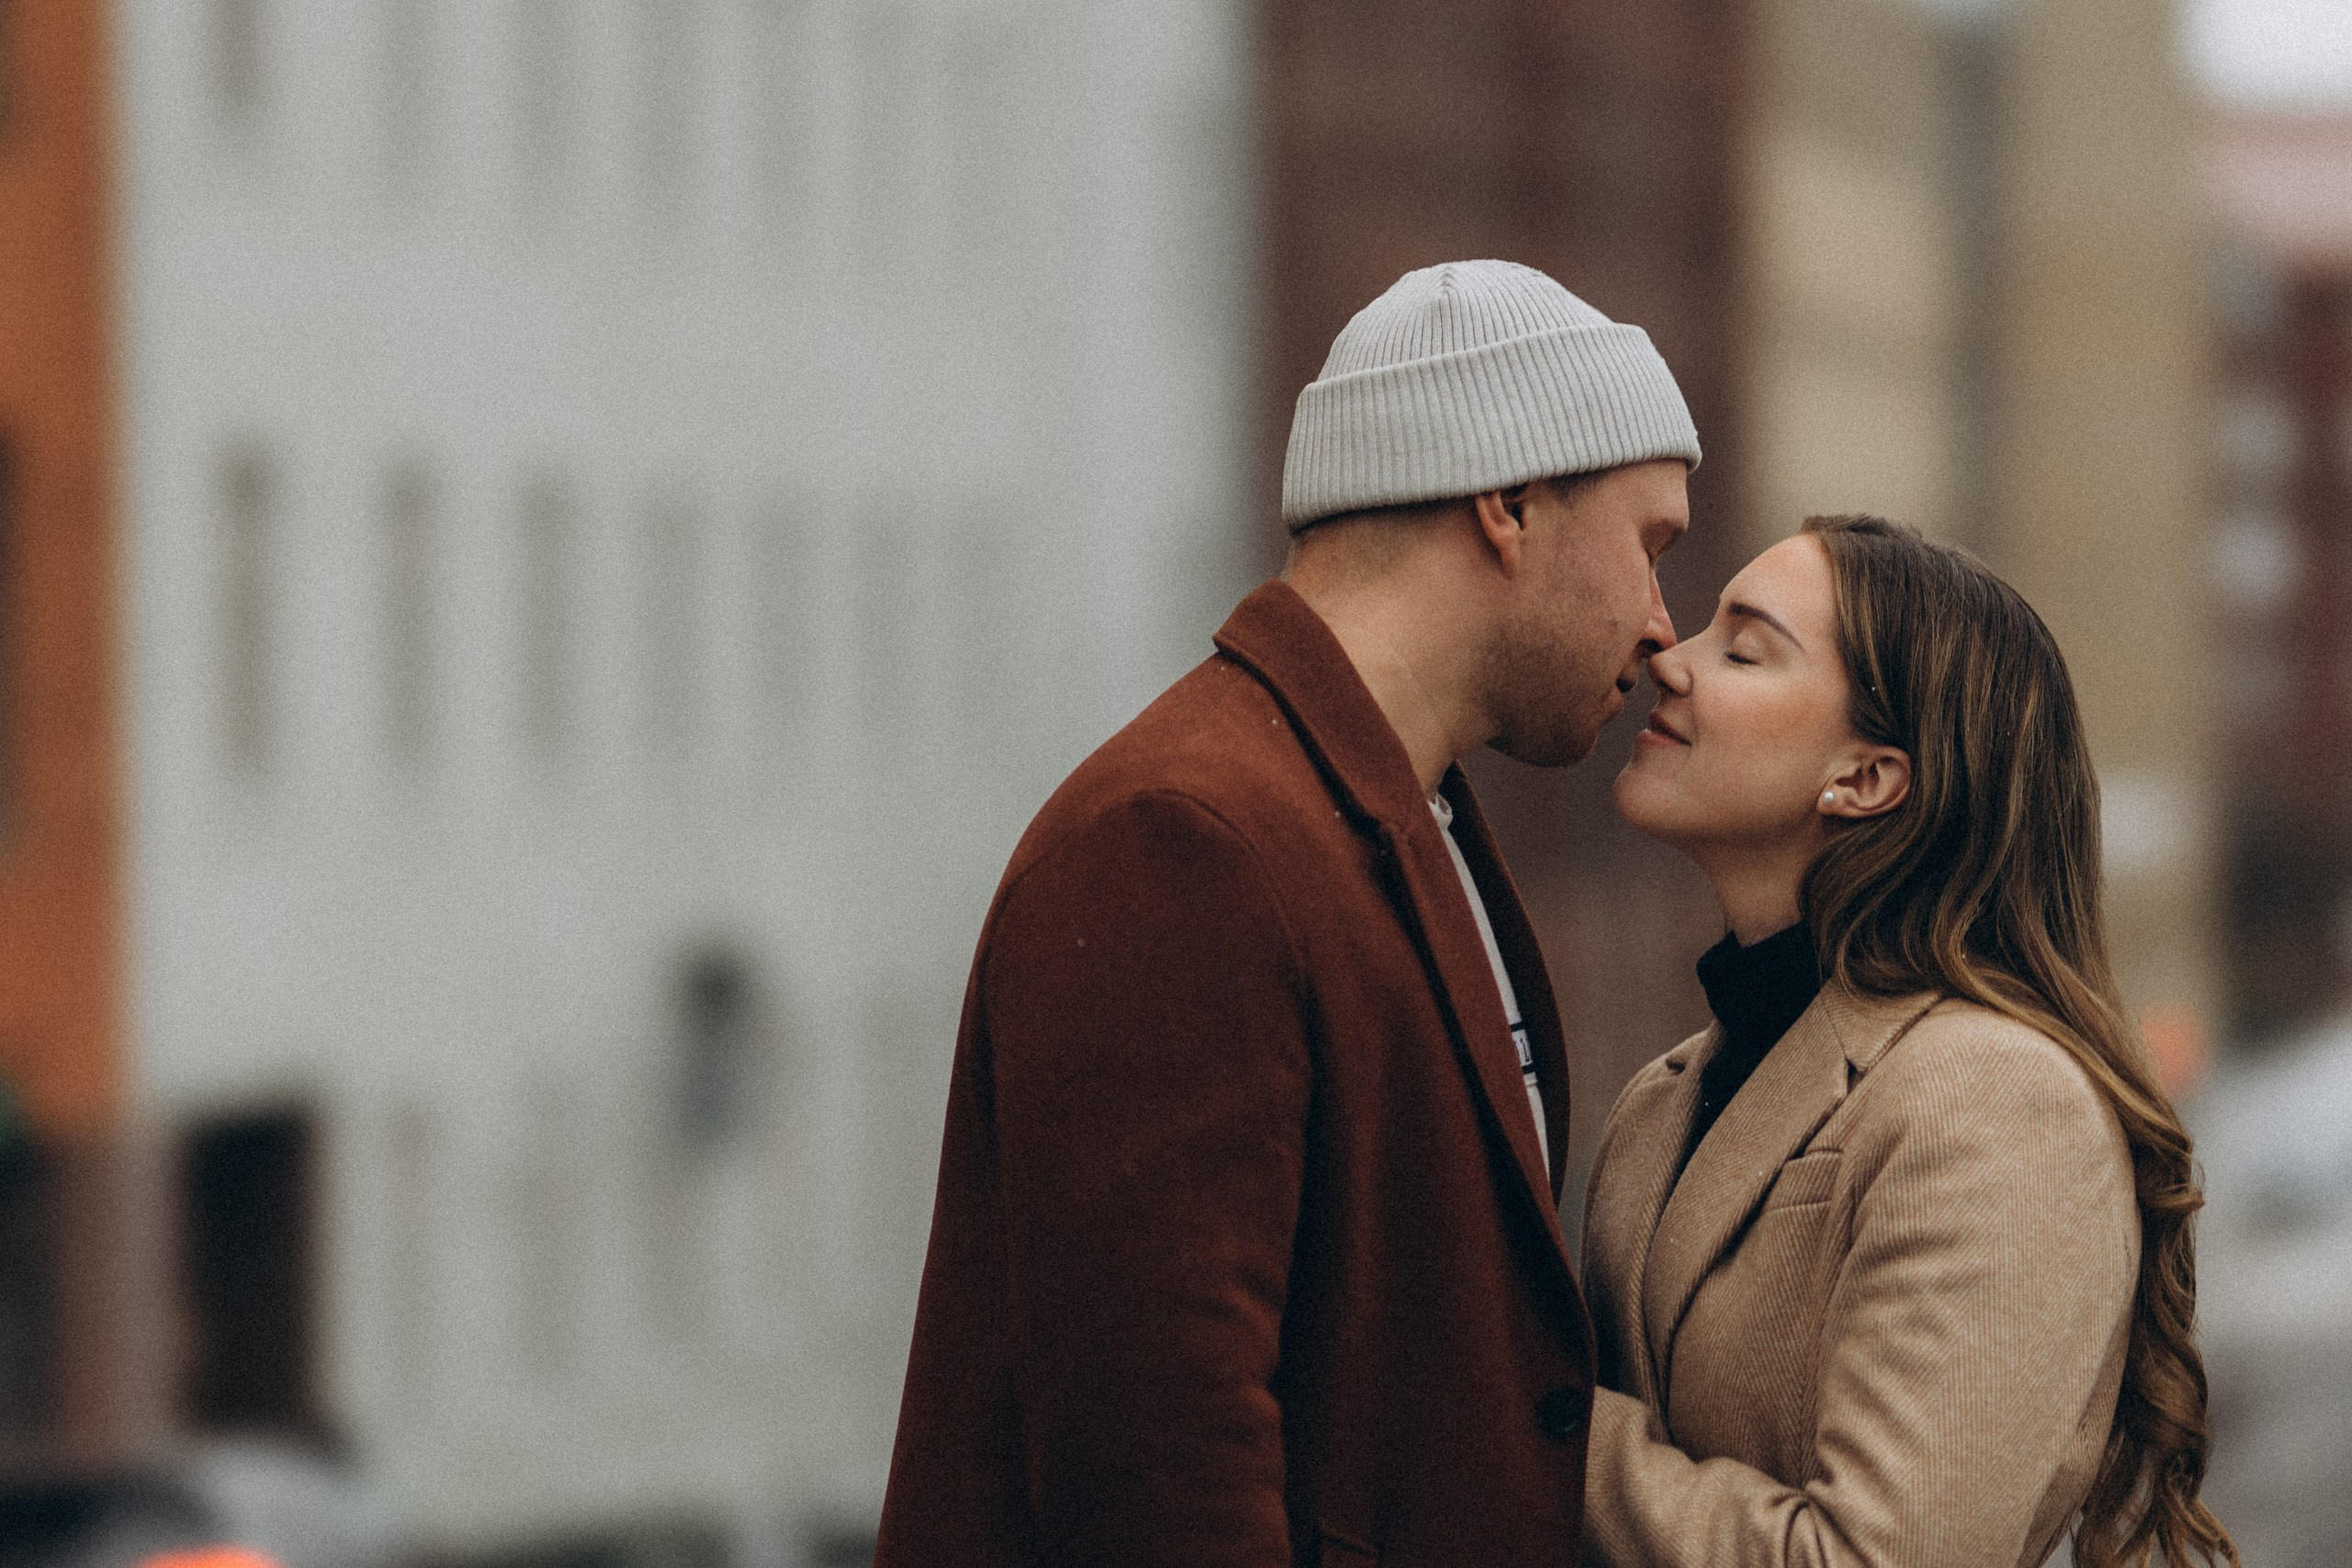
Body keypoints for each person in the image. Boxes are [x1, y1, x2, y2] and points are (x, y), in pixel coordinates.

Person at [874, 260, 1700, 1567]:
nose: (1664, 626)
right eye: (1651, 542)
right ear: (1510, 502)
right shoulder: (1182, 841)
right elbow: (1161, 1469)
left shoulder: (1392, 815)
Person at [1581, 515, 2238, 1567]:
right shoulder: (1658, 1102)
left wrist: (1549, 1437)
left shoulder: (1995, 1098)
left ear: (1867, 778)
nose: (1670, 657)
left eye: (1743, 649)